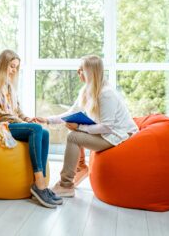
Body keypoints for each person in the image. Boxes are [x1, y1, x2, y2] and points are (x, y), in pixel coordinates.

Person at [35, 55, 138, 197]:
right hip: (107, 133)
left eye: (81, 70)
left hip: (117, 136)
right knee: (73, 131)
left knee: (73, 137)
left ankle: (66, 185)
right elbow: (71, 112)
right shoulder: (86, 90)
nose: (78, 72)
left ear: (90, 72)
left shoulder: (106, 94)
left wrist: (79, 127)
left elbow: (107, 127)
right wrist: (47, 120)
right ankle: (80, 168)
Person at [0, 49, 62, 208]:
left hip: (9, 122)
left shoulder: (9, 87)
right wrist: (23, 122)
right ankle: (40, 185)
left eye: (16, 67)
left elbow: (17, 110)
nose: (14, 70)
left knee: (44, 132)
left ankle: (40, 183)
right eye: (11, 66)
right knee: (35, 129)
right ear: (2, 65)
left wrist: (27, 119)